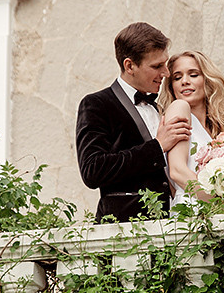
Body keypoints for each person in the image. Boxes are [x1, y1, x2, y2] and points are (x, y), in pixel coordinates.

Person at [76, 22, 191, 222]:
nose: (165, 73)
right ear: (130, 66)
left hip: (172, 227)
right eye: (156, 66)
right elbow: (92, 170)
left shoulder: (161, 107)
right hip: (126, 234)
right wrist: (157, 147)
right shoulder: (97, 104)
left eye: (165, 64)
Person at [157, 50, 224, 207]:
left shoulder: (216, 128)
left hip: (215, 217)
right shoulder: (179, 108)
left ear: (207, 80)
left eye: (193, 75)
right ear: (172, 87)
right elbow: (177, 171)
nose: (184, 81)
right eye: (177, 77)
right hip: (191, 214)